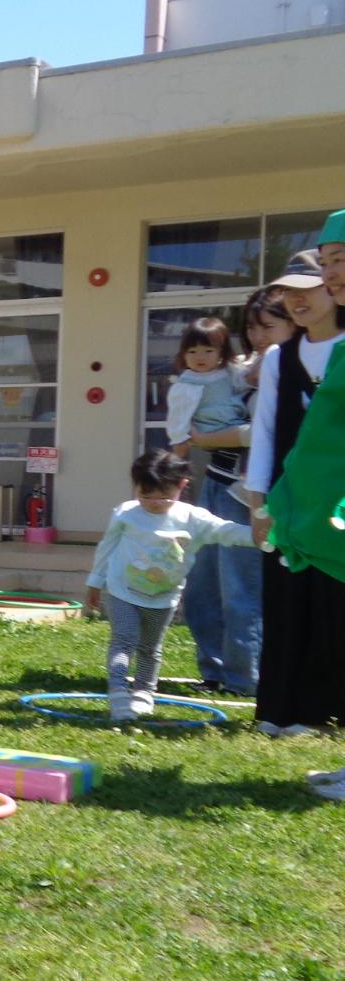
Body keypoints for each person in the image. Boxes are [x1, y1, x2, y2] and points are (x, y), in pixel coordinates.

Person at [253, 226, 345, 752]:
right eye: (288, 293)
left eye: (306, 288)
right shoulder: (277, 358)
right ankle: (278, 707)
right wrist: (258, 500)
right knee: (285, 601)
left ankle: (318, 709)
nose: (297, 300)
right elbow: (264, 430)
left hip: (334, 507)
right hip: (290, 504)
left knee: (330, 607)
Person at [84, 449, 255, 724]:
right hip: (122, 591)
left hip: (163, 597)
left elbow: (227, 531)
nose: (153, 503)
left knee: (151, 648)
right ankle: (117, 691)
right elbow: (107, 547)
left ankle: (143, 693)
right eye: (145, 494)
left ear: (182, 485)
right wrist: (95, 583)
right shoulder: (127, 513)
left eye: (163, 496)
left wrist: (263, 535)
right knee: (124, 639)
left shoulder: (193, 518)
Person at [181, 285, 290, 695]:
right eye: (252, 326)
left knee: (241, 593)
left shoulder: (296, 368)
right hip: (218, 483)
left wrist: (208, 440)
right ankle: (214, 670)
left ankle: (245, 680)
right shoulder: (243, 369)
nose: (258, 336)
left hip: (250, 494)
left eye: (269, 326)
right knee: (202, 588)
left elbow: (267, 433)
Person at [165, 316, 247, 486]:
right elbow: (178, 415)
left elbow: (244, 382)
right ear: (183, 355)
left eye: (208, 351)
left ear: (221, 352)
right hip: (210, 429)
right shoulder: (188, 382)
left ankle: (244, 483)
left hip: (234, 424)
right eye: (192, 351)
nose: (200, 357)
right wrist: (179, 442)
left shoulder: (228, 371)